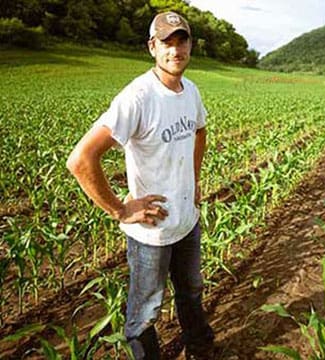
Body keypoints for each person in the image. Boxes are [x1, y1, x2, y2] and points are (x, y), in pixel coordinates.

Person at [66, 11, 214, 359]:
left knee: (192, 290)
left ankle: (200, 346)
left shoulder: (190, 91)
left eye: (182, 41)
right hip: (152, 231)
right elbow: (81, 160)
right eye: (167, 42)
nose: (175, 50)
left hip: (186, 220)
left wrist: (194, 180)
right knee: (146, 310)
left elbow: (200, 131)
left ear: (190, 45)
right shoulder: (137, 98)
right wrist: (120, 209)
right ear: (152, 47)